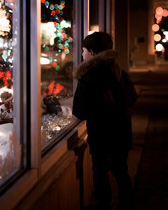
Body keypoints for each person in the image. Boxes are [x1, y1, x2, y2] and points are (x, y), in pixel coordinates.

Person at [72, 32, 137, 210]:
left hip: (101, 134)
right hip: (122, 131)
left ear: (92, 52)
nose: (82, 55)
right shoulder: (119, 71)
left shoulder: (88, 77)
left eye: (84, 51)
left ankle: (104, 204)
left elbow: (80, 111)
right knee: (121, 171)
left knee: (100, 173)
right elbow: (132, 97)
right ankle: (127, 203)